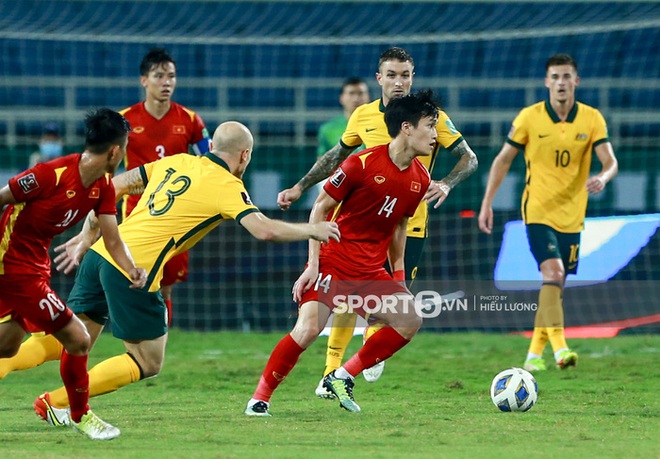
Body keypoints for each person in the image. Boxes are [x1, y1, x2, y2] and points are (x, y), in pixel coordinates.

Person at [0, 121, 340, 426]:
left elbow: (114, 185)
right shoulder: (227, 186)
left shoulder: (176, 161)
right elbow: (263, 230)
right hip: (134, 269)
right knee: (147, 359)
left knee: (70, 338)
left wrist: (88, 237)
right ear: (245, 155)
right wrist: (312, 230)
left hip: (101, 253)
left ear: (211, 148)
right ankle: (57, 403)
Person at [278, 47, 478, 393]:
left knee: (389, 309)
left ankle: (367, 345)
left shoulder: (430, 118)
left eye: (406, 75)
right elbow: (335, 156)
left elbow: (469, 158)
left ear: (413, 78)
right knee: (341, 298)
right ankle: (331, 371)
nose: (399, 82)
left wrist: (446, 182)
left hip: (406, 226)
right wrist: (300, 186)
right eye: (392, 75)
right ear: (379, 78)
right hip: (359, 227)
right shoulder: (363, 116)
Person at [245, 90, 439, 417]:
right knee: (307, 330)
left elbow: (400, 227)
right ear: (407, 127)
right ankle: (259, 399)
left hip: (370, 271)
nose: (435, 134)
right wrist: (313, 265)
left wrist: (399, 278)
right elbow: (320, 209)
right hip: (334, 259)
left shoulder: (420, 178)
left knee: (410, 318)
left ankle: (342, 374)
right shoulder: (360, 163)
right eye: (430, 125)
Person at [0, 108, 148, 440]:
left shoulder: (104, 186)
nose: (124, 155)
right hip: (11, 267)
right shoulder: (49, 174)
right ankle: (81, 416)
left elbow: (112, 238)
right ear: (115, 150)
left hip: (34, 264)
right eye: (124, 148)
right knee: (78, 338)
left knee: (8, 345)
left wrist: (131, 270)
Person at [478, 54, 618, 372]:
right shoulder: (529, 117)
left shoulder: (592, 118)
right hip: (538, 209)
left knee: (555, 286)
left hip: (573, 214)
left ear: (576, 82)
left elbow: (610, 161)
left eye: (567, 76)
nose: (561, 83)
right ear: (547, 82)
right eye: (555, 77)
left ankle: (532, 355)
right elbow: (502, 160)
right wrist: (487, 202)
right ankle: (560, 349)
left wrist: (603, 177)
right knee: (552, 274)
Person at [119, 47, 212, 326]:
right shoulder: (123, 120)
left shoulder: (190, 119)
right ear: (144, 80)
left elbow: (209, 162)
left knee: (166, 284)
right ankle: (134, 340)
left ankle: (159, 345)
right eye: (159, 76)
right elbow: (107, 167)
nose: (166, 82)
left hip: (175, 212)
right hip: (136, 211)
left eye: (171, 76)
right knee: (136, 279)